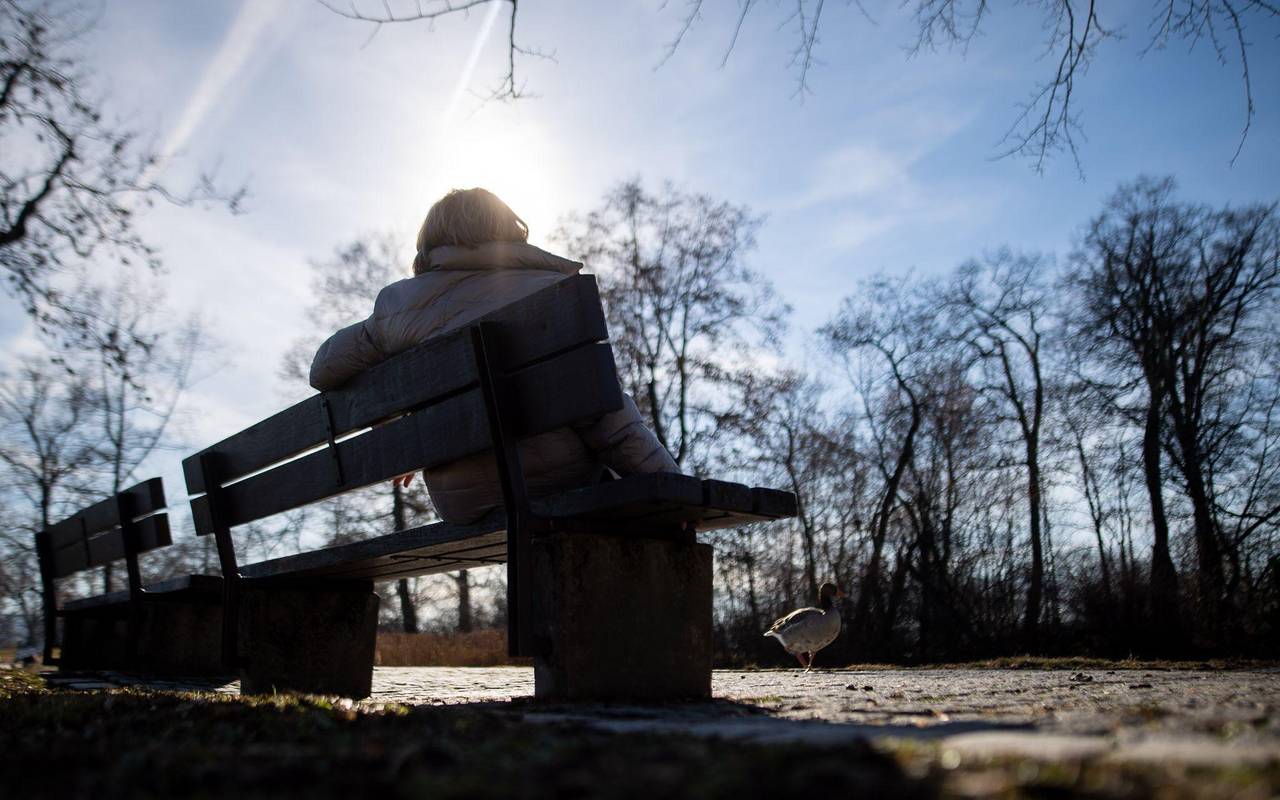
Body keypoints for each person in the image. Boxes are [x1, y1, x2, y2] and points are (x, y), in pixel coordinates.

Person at [309, 188, 679, 524]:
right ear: (508, 228)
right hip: (557, 483)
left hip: (461, 500)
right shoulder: (552, 292)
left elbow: (323, 369)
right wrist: (675, 491)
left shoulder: (396, 306)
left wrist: (395, 423)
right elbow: (608, 420)